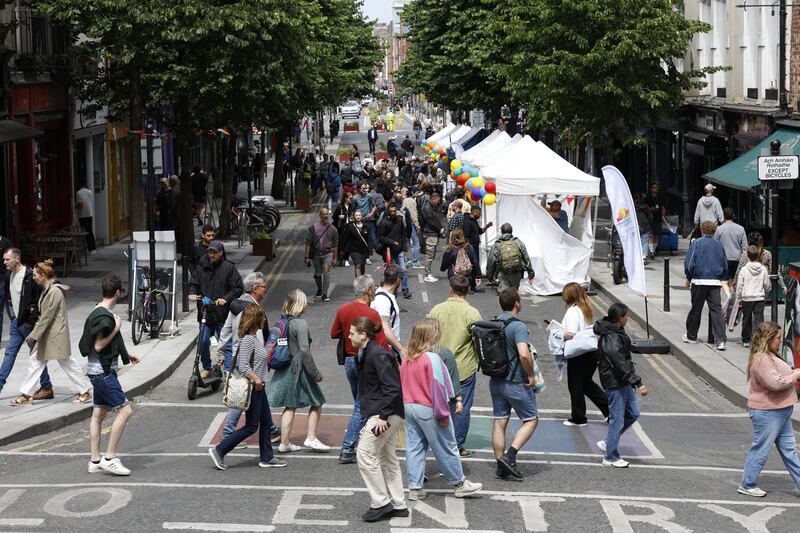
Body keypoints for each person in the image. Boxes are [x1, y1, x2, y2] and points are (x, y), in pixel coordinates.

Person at [402, 318, 482, 500]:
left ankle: (415, 487)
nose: (439, 334)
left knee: (414, 447)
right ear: (431, 335)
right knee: (447, 445)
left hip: (409, 406)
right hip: (429, 407)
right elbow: (437, 388)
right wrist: (443, 413)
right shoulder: (433, 358)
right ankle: (459, 483)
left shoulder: (408, 356)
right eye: (436, 330)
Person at [208, 305, 287, 470]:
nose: (265, 320)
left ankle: (267, 457)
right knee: (251, 426)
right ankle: (220, 449)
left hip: (259, 387)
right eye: (263, 317)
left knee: (266, 422)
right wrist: (257, 380)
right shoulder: (248, 340)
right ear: (255, 320)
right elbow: (243, 366)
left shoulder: (254, 337)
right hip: (253, 387)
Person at [348, 317, 408, 523]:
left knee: (364, 453)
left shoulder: (378, 354)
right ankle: (399, 504)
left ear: (363, 335)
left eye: (352, 332)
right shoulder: (367, 352)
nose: (349, 336)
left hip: (384, 414)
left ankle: (381, 503)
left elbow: (392, 387)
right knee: (387, 458)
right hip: (387, 412)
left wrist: (383, 416)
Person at [80, 274, 140, 475]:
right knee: (125, 411)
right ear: (118, 293)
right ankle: (110, 457)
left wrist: (126, 354)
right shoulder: (106, 317)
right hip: (103, 374)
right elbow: (98, 346)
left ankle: (95, 460)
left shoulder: (97, 310)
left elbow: (102, 345)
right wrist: (116, 329)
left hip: (96, 373)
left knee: (98, 414)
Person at [12, 260, 91, 405]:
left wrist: (34, 334)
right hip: (50, 335)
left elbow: (47, 316)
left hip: (55, 335)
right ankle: (26, 394)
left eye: (35, 275)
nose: (33, 277)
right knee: (36, 361)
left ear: (42, 275)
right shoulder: (48, 290)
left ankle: (84, 392)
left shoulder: (54, 291)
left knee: (67, 363)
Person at [330, 275, 389, 463]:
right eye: (373, 289)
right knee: (361, 405)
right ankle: (347, 448)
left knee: (360, 401)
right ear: (368, 291)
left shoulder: (343, 309)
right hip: (365, 363)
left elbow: (334, 334)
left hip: (349, 362)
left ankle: (362, 440)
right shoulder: (371, 314)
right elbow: (381, 345)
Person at [738, 322, 800, 497]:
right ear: (768, 338)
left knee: (790, 452)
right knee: (761, 449)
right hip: (768, 413)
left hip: (780, 411)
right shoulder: (761, 359)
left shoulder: (769, 355)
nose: (780, 341)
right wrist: (794, 375)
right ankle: (747, 484)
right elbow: (775, 383)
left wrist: (792, 372)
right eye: (778, 338)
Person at [218, 272, 279, 446]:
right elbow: (257, 338)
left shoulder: (236, 305)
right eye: (263, 286)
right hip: (250, 359)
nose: (265, 289)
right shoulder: (253, 310)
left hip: (238, 354)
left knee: (252, 394)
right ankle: (228, 432)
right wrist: (265, 359)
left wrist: (221, 353)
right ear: (254, 289)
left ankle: (272, 429)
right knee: (245, 393)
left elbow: (226, 331)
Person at [269, 290, 330, 453]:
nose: (307, 304)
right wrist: (315, 373)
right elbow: (304, 350)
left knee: (290, 406)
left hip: (285, 368)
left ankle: (284, 442)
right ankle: (310, 438)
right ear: (299, 305)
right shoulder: (300, 323)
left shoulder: (283, 321)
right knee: (317, 401)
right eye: (304, 301)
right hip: (299, 369)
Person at [429, 274, 482, 457]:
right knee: (462, 406)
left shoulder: (437, 309)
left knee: (438, 403)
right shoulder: (473, 313)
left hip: (439, 366)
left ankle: (438, 441)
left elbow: (428, 336)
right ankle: (457, 445)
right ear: (467, 291)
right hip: (463, 366)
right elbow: (478, 340)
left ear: (450, 290)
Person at [489, 289, 539, 480]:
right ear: (517, 303)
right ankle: (510, 456)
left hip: (496, 381)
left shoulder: (494, 322)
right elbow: (524, 354)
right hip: (515, 381)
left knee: (500, 421)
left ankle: (500, 466)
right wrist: (531, 375)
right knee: (531, 419)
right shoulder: (518, 326)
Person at [594, 303, 648, 468]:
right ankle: (610, 457)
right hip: (615, 382)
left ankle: (607, 442)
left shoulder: (616, 331)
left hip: (622, 380)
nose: (628, 318)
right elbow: (618, 361)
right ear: (619, 318)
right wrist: (638, 382)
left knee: (633, 413)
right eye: (626, 315)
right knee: (617, 419)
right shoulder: (611, 337)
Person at [0, 248, 51, 398]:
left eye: (7, 259)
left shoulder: (30, 276)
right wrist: (12, 316)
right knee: (9, 354)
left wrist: (31, 321)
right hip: (16, 323)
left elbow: (38, 301)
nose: (4, 262)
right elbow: (9, 299)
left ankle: (47, 387)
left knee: (36, 356)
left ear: (17, 259)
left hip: (29, 324)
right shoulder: (9, 275)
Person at [188, 240, 243, 378]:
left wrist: (226, 298)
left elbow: (237, 288)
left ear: (221, 253)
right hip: (205, 312)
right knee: (203, 340)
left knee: (227, 345)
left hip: (222, 314)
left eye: (214, 252)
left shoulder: (229, 268)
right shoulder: (201, 267)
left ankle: (228, 372)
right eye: (210, 252)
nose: (211, 255)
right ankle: (206, 367)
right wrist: (192, 294)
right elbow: (193, 283)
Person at [559, 282, 609, 426]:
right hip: (590, 352)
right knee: (586, 384)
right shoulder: (584, 308)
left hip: (579, 354)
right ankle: (610, 411)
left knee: (575, 386)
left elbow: (572, 333)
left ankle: (579, 418)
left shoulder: (573, 311)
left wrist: (557, 333)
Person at [683, 221, 728, 350]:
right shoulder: (719, 245)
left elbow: (690, 263)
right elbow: (724, 263)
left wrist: (689, 277)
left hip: (699, 281)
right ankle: (720, 340)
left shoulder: (696, 243)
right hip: (714, 282)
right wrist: (723, 278)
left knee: (696, 309)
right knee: (716, 311)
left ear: (702, 230)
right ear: (714, 231)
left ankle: (691, 336)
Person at [736, 246, 772, 348]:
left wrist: (738, 297)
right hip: (759, 297)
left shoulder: (744, 269)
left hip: (747, 297)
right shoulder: (763, 269)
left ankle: (746, 339)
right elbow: (767, 284)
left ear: (747, 256)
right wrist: (766, 290)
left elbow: (740, 285)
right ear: (758, 255)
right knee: (759, 319)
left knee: (746, 319)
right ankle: (759, 340)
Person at [486, 223, 535, 292]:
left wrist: (490, 277)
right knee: (515, 292)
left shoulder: (497, 244)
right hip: (516, 273)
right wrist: (531, 274)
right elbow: (526, 259)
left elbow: (491, 261)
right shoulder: (518, 242)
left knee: (504, 295)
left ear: (502, 232)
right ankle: (516, 302)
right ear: (511, 232)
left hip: (503, 273)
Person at [371, 265, 406, 360]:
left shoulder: (384, 295)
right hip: (386, 350)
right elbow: (385, 329)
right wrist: (401, 348)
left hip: (387, 348)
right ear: (398, 280)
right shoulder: (383, 300)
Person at [377, 204, 412, 299]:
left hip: (399, 250)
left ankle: (405, 290)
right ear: (388, 211)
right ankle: (391, 290)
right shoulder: (384, 223)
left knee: (403, 270)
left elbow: (403, 234)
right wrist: (392, 242)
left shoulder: (400, 220)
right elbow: (380, 237)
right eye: (391, 211)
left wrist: (404, 248)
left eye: (394, 211)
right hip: (389, 251)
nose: (393, 213)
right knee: (391, 273)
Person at [304, 208, 338, 302]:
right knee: (317, 274)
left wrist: (335, 258)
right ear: (320, 215)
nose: (326, 216)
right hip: (316, 254)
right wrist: (306, 257)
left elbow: (335, 245)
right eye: (323, 214)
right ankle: (319, 288)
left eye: (327, 214)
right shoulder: (313, 228)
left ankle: (324, 293)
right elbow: (308, 243)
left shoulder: (333, 229)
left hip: (328, 254)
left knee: (326, 270)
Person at [714, 208, 748, 291]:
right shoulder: (741, 228)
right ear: (733, 216)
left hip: (724, 258)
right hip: (737, 258)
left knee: (724, 281)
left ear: (724, 216)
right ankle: (732, 296)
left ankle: (729, 297)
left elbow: (715, 244)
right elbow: (745, 247)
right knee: (734, 280)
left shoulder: (719, 229)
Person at [420, 192, 446, 283]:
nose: (438, 203)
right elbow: (431, 221)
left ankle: (428, 273)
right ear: (433, 199)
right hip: (430, 233)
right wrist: (440, 229)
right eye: (437, 201)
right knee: (429, 254)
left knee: (431, 254)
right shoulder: (427, 208)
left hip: (433, 233)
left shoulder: (431, 207)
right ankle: (427, 274)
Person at [462, 206, 492, 270]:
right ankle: (473, 277)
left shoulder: (474, 221)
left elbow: (480, 231)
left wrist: (487, 226)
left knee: (475, 262)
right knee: (473, 262)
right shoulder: (467, 222)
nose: (480, 215)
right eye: (479, 213)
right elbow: (466, 236)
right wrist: (469, 246)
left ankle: (475, 277)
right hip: (471, 246)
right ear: (475, 212)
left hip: (475, 246)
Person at [345, 210, 371, 277]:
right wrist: (344, 250)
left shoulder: (366, 226)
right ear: (354, 217)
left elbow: (369, 239)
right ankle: (358, 282)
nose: (358, 217)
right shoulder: (350, 226)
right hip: (354, 250)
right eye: (356, 215)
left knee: (362, 265)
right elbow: (346, 238)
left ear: (361, 216)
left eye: (359, 215)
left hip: (364, 250)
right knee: (358, 265)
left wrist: (370, 249)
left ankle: (362, 279)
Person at [401, 188, 423, 269]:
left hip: (404, 224)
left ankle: (405, 261)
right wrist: (417, 226)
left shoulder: (404, 200)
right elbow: (414, 215)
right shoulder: (412, 201)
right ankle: (415, 262)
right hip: (411, 224)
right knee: (416, 243)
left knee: (406, 243)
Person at [645, 182, 666, 258]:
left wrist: (663, 217)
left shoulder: (660, 197)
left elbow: (663, 207)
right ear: (651, 189)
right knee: (651, 235)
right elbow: (645, 208)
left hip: (658, 218)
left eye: (657, 187)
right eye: (654, 187)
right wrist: (651, 209)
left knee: (657, 235)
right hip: (650, 219)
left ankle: (653, 250)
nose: (656, 189)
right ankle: (651, 251)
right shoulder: (648, 198)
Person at [333, 192, 355, 266]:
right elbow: (334, 217)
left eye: (352, 198)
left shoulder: (352, 206)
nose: (352, 199)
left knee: (348, 244)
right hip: (341, 229)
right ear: (345, 198)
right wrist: (339, 216)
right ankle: (339, 258)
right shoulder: (340, 207)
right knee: (340, 244)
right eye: (350, 198)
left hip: (349, 228)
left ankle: (346, 259)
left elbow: (353, 215)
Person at [75, 183, 97, 254]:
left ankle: (89, 248)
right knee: (90, 231)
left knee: (85, 232)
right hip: (90, 214)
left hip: (82, 215)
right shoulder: (90, 192)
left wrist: (75, 206)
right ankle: (93, 248)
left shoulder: (78, 193)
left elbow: (80, 205)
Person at [633, 192, 653, 261]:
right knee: (644, 241)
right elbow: (650, 217)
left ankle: (636, 256)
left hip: (635, 226)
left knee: (635, 241)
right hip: (645, 226)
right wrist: (650, 224)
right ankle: (644, 256)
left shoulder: (632, 207)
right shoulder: (646, 206)